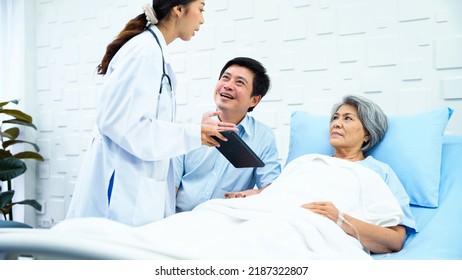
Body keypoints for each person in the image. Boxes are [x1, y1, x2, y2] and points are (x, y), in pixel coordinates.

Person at [66, 0, 237, 227]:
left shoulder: (153, 52)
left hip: (136, 188)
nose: (202, 19)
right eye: (201, 9)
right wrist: (192, 134)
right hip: (120, 192)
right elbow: (122, 125)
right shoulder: (143, 52)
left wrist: (193, 125)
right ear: (178, 9)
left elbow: (148, 119)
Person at [229, 94, 417, 254]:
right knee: (210, 216)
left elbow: (395, 240)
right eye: (335, 118)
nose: (336, 123)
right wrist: (252, 196)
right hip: (270, 217)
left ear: (367, 133)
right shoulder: (306, 162)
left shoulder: (377, 173)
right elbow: (281, 195)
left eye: (347, 118)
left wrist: (340, 218)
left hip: (308, 231)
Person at [173, 57, 282, 212]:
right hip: (177, 218)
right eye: (225, 77)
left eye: (239, 82)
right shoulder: (191, 125)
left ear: (254, 100)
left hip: (223, 223)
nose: (228, 86)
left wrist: (252, 195)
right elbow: (170, 185)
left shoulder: (263, 137)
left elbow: (272, 190)